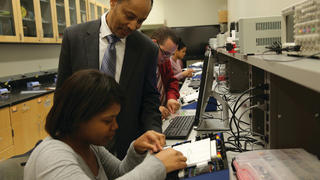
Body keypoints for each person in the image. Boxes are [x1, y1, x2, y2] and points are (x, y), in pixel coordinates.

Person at [24, 69, 187, 180]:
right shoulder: (52, 156)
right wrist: (157, 166)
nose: (115, 126)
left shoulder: (88, 145)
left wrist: (136, 150)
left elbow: (118, 173)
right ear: (78, 116)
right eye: (108, 120)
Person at [56, 0, 161, 159]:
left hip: (127, 148)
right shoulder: (74, 37)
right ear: (113, 2)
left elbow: (150, 99)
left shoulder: (147, 49)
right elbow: (62, 95)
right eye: (129, 16)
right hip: (81, 146)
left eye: (140, 21)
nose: (133, 26)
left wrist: (154, 132)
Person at [150, 26, 181, 120]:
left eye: (171, 55)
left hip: (165, 114)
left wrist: (171, 98)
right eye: (166, 53)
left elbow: (172, 81)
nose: (168, 59)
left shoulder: (164, 60)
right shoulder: (140, 64)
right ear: (154, 43)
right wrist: (154, 108)